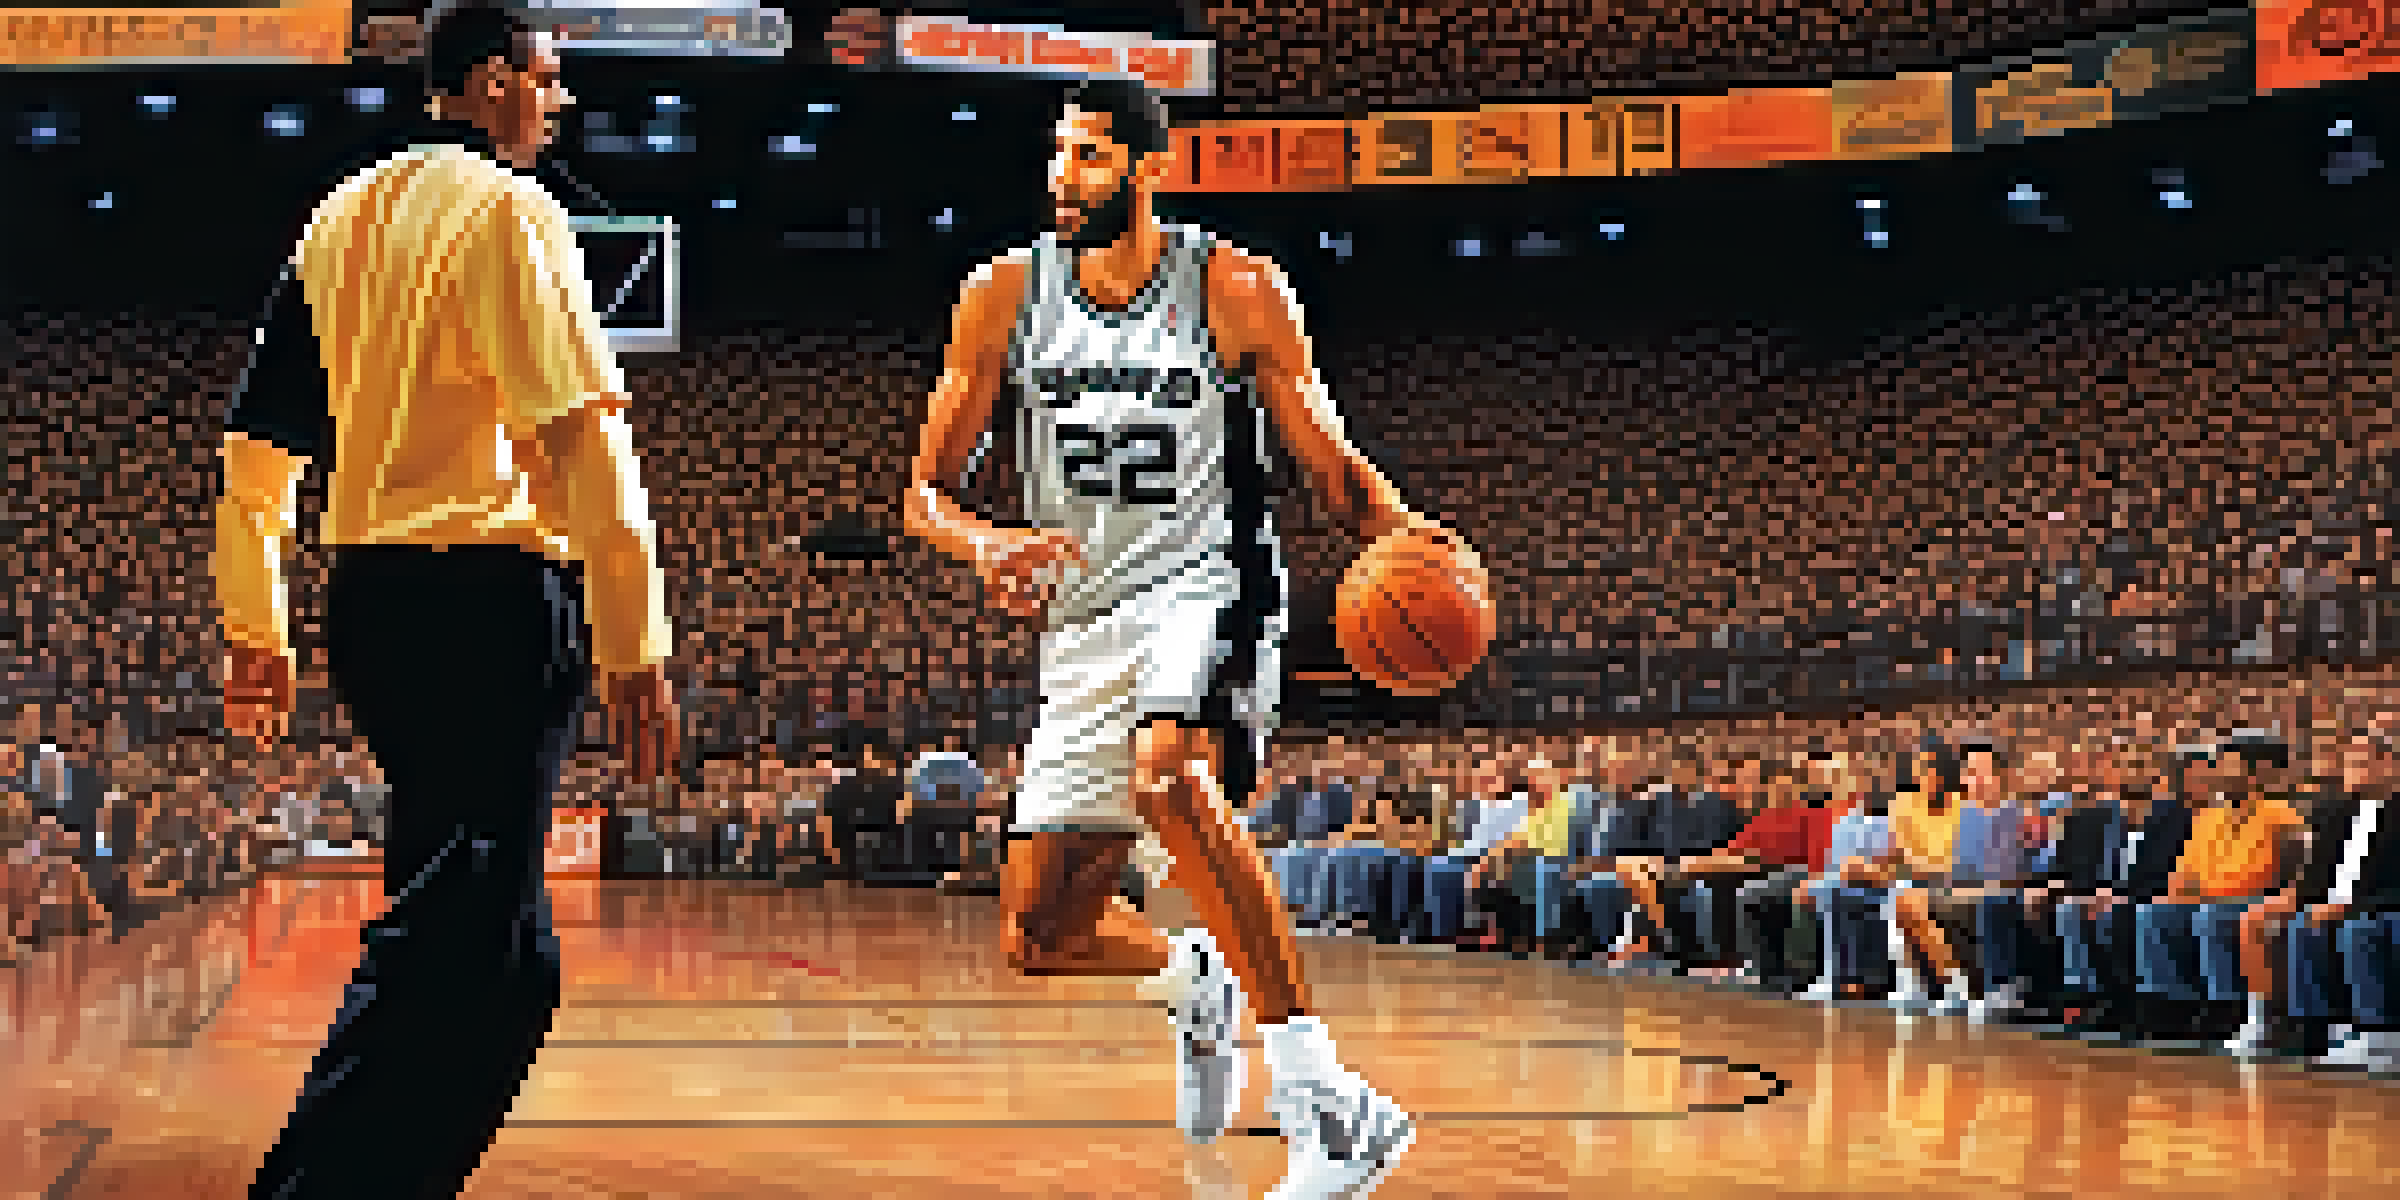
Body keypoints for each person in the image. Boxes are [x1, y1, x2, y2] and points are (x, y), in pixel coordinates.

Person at [903, 77, 1440, 1195]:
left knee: (1171, 778)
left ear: (1151, 167)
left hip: (1212, 586)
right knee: (1040, 938)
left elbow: (1326, 466)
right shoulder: (1001, 294)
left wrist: (1414, 538)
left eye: (1092, 156)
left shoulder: (1235, 287)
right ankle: (1195, 975)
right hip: (1084, 624)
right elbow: (923, 493)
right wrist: (982, 544)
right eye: (1059, 154)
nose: (1064, 176)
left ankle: (1327, 1102)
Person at [214, 4, 679, 1196]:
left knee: (498, 950)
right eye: (548, 78)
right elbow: (585, 441)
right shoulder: (512, 212)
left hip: (368, 601)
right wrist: (636, 639)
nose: (559, 102)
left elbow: (257, 457)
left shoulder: (336, 217)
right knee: (461, 941)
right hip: (488, 599)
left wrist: (255, 629)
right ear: (490, 83)